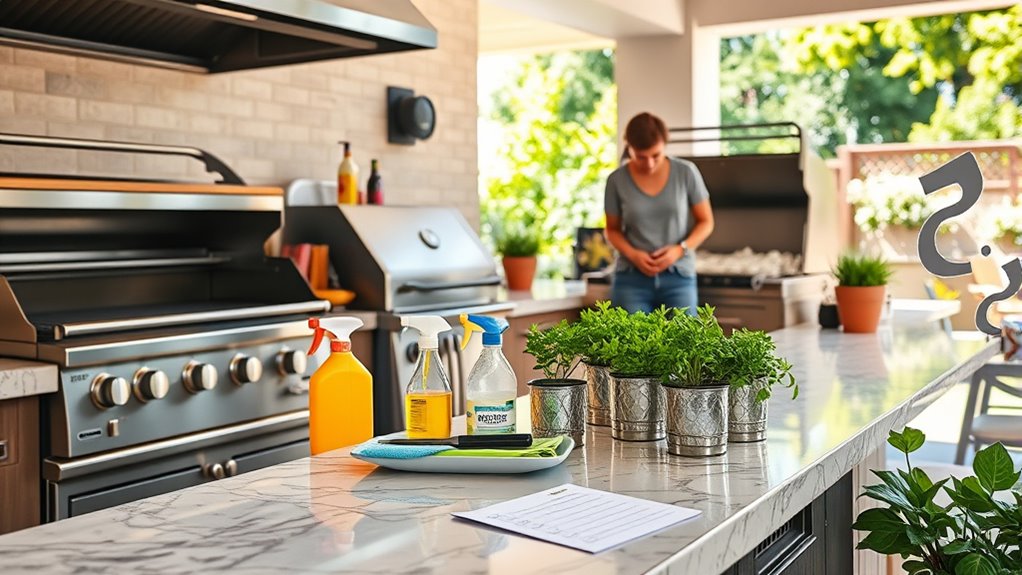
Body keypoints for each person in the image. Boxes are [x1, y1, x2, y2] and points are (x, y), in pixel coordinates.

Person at [604, 112, 715, 314]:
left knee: (684, 343)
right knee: (632, 345)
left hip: (679, 276)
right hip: (631, 280)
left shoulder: (686, 173)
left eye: (656, 155)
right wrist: (634, 255)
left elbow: (706, 222)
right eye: (641, 157)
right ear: (628, 147)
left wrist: (680, 249)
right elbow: (612, 230)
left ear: (665, 144)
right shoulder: (616, 181)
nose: (649, 164)